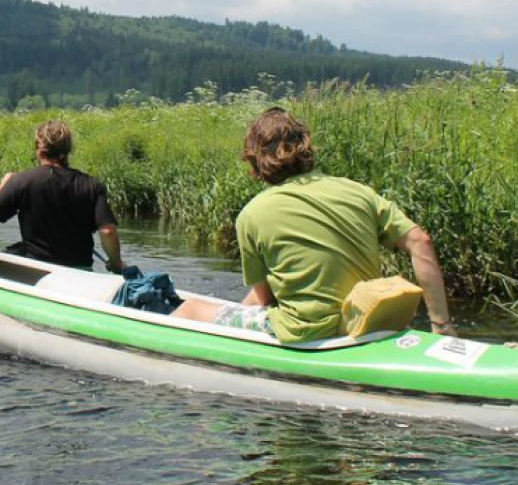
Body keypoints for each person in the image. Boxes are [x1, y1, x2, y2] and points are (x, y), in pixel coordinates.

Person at [172, 107, 457, 342]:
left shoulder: (251, 215)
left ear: (256, 161)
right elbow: (421, 241)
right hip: (368, 324)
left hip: (308, 332)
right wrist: (441, 325)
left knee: (190, 309)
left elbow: (265, 300)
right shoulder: (358, 191)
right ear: (306, 148)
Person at [0, 119, 125, 272]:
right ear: (68, 150)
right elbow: (107, 231)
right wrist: (116, 263)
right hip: (80, 272)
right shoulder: (92, 185)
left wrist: (3, 185)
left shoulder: (21, 181)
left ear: (38, 149)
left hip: (36, 270)